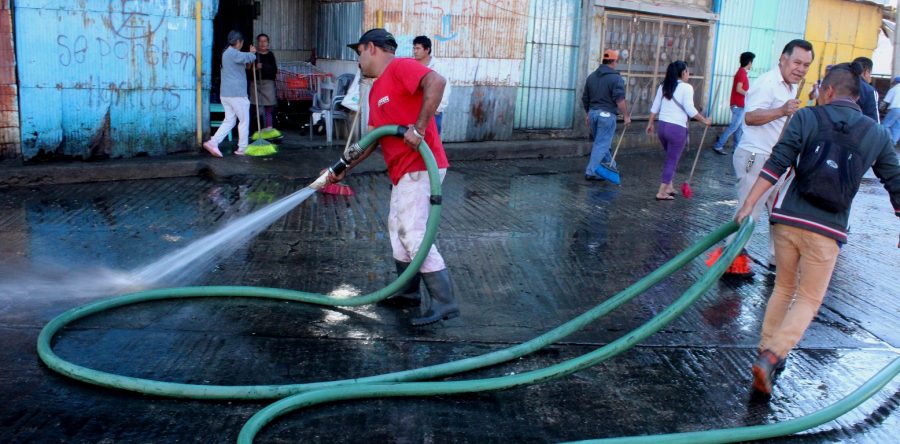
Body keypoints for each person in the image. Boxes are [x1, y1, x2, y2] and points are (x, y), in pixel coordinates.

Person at [734, 63, 900, 396]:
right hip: (828, 228)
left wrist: (749, 203)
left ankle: (766, 353)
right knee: (809, 298)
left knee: (783, 288)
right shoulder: (876, 134)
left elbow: (778, 161)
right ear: (857, 97)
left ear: (828, 91)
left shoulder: (807, 117)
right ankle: (772, 356)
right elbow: (895, 181)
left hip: (787, 218)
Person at [324, 28, 458, 326]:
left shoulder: (400, 67)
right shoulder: (376, 91)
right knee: (397, 229)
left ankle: (445, 301)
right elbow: (372, 140)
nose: (358, 60)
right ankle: (408, 292)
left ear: (371, 48)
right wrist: (341, 168)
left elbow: (436, 81)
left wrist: (419, 129)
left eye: (359, 52)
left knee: (412, 232)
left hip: (421, 166)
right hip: (402, 171)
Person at [712, 39, 814, 275]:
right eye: (797, 62)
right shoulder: (767, 83)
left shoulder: (789, 87)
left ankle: (778, 259)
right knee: (750, 208)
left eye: (806, 65)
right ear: (783, 58)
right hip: (754, 156)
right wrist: (782, 110)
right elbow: (750, 117)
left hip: (776, 161)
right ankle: (732, 261)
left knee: (780, 213)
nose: (801, 69)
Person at [645, 60, 711, 200]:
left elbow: (655, 107)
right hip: (676, 129)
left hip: (662, 127)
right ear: (683, 72)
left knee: (670, 157)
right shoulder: (687, 88)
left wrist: (650, 123)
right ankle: (661, 192)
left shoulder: (664, 86)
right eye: (687, 70)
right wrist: (704, 120)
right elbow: (690, 110)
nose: (688, 73)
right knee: (672, 160)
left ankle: (669, 187)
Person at [203, 31, 256, 157]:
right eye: (241, 43)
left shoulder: (226, 53)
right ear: (238, 42)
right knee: (244, 121)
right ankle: (242, 148)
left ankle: (213, 142)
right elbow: (249, 57)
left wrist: (249, 55)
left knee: (230, 121)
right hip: (237, 94)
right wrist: (253, 53)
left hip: (226, 94)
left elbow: (244, 63)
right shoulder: (233, 53)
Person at [582, 49, 632, 182]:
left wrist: (588, 114)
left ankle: (612, 167)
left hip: (593, 113)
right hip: (607, 115)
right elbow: (619, 100)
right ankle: (591, 172)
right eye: (617, 61)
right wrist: (626, 116)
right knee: (601, 144)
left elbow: (585, 98)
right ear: (614, 61)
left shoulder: (591, 77)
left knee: (602, 143)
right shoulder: (616, 78)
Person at [713, 52, 754, 155]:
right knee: (734, 127)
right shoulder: (741, 73)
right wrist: (749, 94)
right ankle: (718, 145)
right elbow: (738, 89)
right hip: (738, 105)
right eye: (751, 62)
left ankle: (736, 149)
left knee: (738, 129)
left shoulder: (742, 72)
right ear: (749, 62)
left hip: (740, 105)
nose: (752, 65)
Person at [412, 36, 451, 135]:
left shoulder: (438, 66)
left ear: (427, 49)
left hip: (432, 112)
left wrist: (437, 109)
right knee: (413, 138)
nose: (415, 51)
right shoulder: (411, 65)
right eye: (414, 48)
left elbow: (446, 89)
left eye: (418, 48)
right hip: (414, 110)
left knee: (432, 139)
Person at [250, 33, 278, 131]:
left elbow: (274, 70)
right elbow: (248, 71)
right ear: (257, 43)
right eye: (260, 41)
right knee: (256, 108)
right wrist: (256, 68)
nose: (262, 43)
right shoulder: (253, 55)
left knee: (268, 108)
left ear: (268, 43)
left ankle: (269, 129)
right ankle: (257, 130)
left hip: (268, 85)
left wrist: (265, 68)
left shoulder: (270, 55)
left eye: (265, 41)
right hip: (256, 84)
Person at [851, 56, 879, 123]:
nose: (870, 77)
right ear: (866, 71)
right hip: (858, 127)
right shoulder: (869, 90)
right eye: (870, 73)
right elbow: (874, 119)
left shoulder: (841, 83)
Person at [881, 76, 900, 145]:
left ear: (895, 82)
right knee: (897, 127)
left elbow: (885, 102)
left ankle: (890, 140)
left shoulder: (893, 89)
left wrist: (880, 109)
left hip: (895, 109)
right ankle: (893, 143)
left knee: (885, 125)